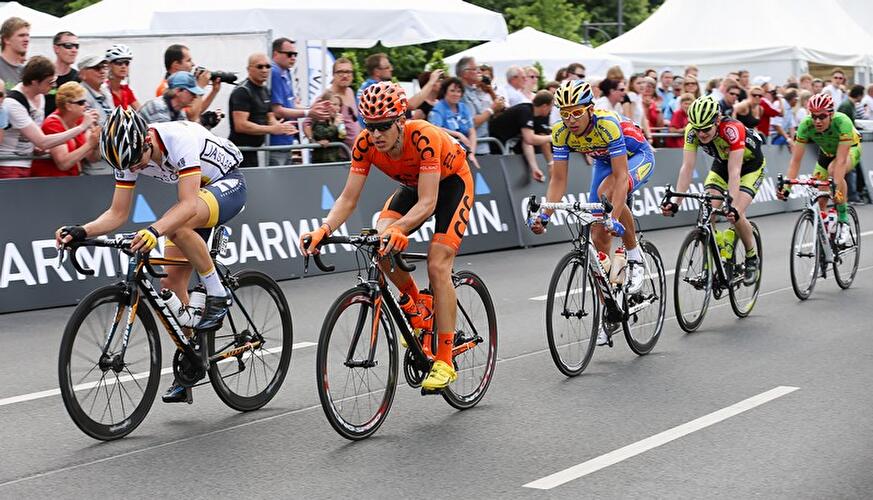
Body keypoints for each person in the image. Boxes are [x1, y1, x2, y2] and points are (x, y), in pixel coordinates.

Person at [57, 107, 247, 403]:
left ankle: (217, 291)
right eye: (126, 166)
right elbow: (118, 213)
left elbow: (186, 205)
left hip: (227, 185)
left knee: (177, 224)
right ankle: (191, 366)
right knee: (171, 287)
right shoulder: (128, 154)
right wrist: (83, 230)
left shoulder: (178, 140)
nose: (133, 168)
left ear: (147, 139)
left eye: (136, 162)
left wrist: (153, 231)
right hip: (198, 198)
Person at [300, 82, 473, 391]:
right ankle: (418, 304)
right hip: (412, 188)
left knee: (437, 265)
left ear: (400, 121)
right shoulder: (365, 145)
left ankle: (444, 361)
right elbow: (348, 199)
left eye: (382, 127)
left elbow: (428, 202)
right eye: (370, 126)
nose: (375, 135)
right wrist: (323, 229)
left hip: (450, 186)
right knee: (379, 244)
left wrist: (399, 229)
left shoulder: (423, 137)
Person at [532, 80, 655, 345]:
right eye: (565, 113)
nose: (571, 119)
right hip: (603, 160)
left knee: (606, 195)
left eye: (577, 112)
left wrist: (614, 216)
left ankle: (634, 255)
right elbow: (558, 181)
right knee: (598, 238)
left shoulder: (607, 124)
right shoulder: (561, 133)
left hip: (637, 156)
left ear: (590, 108)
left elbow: (621, 178)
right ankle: (610, 310)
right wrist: (545, 214)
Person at [662, 96, 765, 284]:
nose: (701, 134)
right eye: (697, 129)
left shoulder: (733, 130)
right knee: (706, 213)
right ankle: (710, 265)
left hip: (749, 167)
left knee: (736, 214)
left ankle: (751, 257)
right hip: (721, 166)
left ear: (717, 120)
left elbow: (735, 172)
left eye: (706, 129)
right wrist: (676, 202)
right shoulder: (692, 132)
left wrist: (732, 205)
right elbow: (687, 168)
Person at [779, 93, 861, 246]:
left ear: (831, 114)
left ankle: (843, 219)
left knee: (833, 171)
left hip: (850, 150)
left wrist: (836, 188)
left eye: (822, 116)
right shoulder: (806, 125)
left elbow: (841, 161)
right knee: (820, 195)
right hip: (826, 153)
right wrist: (787, 187)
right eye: (814, 116)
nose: (817, 121)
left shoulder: (842, 122)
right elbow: (796, 160)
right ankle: (825, 240)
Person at [0, 56, 96, 179]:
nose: (54, 85)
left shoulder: (40, 96)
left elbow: (38, 141)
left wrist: (37, 148)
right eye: (49, 82)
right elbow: (42, 141)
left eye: (54, 80)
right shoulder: (13, 103)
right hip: (9, 165)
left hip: (26, 162)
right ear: (34, 82)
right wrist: (82, 127)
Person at [268, 37, 331, 166]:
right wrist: (309, 112)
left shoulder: (286, 72)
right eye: (289, 54)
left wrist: (311, 108)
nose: (293, 58)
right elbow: (277, 110)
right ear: (275, 54)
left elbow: (291, 105)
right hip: (276, 141)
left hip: (286, 140)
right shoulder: (274, 72)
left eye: (295, 54)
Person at [229, 53, 297, 167]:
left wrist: (282, 128)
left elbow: (270, 117)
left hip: (252, 150)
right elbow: (240, 125)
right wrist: (272, 129)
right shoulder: (243, 91)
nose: (264, 70)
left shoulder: (264, 89)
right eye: (260, 67)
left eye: (268, 66)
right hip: (239, 151)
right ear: (249, 69)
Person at [30, 82, 101, 177]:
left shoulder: (80, 120)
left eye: (86, 101)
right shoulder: (52, 123)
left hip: (71, 179)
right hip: (50, 181)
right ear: (68, 106)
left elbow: (92, 158)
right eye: (81, 102)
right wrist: (89, 144)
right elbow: (63, 164)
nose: (86, 105)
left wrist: (97, 143)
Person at [487, 91, 553, 181]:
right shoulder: (525, 111)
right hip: (492, 143)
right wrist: (552, 138)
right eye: (551, 106)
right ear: (545, 106)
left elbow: (528, 142)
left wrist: (536, 167)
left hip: (506, 144)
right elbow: (530, 139)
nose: (552, 110)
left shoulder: (540, 115)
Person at [155, 44, 221, 122]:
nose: (193, 64)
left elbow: (197, 110)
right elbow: (191, 116)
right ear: (176, 65)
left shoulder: (183, 86)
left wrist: (214, 91)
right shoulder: (165, 87)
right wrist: (200, 86)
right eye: (188, 60)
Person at [456, 56, 503, 156]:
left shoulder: (474, 91)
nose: (479, 72)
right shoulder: (461, 93)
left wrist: (490, 92)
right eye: (475, 69)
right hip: (473, 149)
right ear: (465, 73)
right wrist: (492, 109)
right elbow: (471, 123)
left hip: (482, 146)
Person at [428, 77, 479, 168]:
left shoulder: (464, 108)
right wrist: (458, 134)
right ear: (445, 92)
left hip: (464, 155)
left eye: (459, 91)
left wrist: (471, 153)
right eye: (452, 91)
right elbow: (435, 128)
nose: (456, 94)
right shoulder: (438, 109)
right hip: (445, 157)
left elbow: (472, 132)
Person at [328, 57, 362, 150]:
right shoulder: (327, 96)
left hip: (354, 154)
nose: (345, 75)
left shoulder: (350, 91)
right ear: (333, 75)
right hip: (337, 157)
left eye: (348, 72)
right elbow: (307, 123)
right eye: (340, 72)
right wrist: (318, 141)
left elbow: (354, 120)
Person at [303, 91, 345, 163]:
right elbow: (322, 135)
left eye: (339, 105)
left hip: (335, 159)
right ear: (325, 105)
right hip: (321, 161)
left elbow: (342, 138)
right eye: (334, 104)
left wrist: (341, 127)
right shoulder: (319, 119)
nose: (338, 108)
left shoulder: (333, 119)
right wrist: (335, 125)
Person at [45, 31, 79, 115]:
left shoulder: (78, 77)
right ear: (56, 49)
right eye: (68, 46)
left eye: (77, 46)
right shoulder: (43, 75)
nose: (74, 50)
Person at [78, 55, 113, 122]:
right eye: (97, 68)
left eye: (104, 67)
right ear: (82, 73)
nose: (102, 71)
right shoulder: (80, 95)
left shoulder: (105, 90)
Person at [105, 44, 140, 111]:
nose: (123, 66)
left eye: (126, 63)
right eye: (119, 63)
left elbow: (140, 110)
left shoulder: (125, 89)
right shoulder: (104, 89)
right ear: (109, 65)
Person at [0, 17, 28, 88]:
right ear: (6, 39)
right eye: (21, 35)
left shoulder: (26, 71)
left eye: (27, 35)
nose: (26, 39)